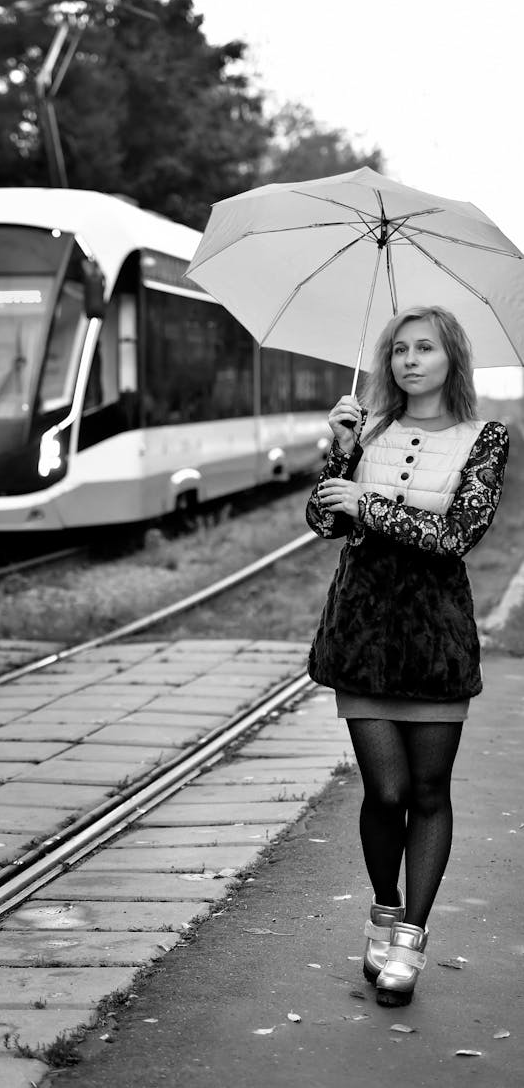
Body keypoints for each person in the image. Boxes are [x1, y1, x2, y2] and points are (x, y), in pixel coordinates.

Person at [305, 305, 509, 1008]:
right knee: (384, 791)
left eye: (424, 348)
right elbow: (324, 522)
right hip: (362, 635)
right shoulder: (371, 428)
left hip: (435, 639)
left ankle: (411, 939)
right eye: (398, 349)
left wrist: (372, 502)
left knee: (428, 793)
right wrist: (339, 449)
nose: (409, 360)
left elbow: (458, 534)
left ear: (452, 357)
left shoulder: (484, 439)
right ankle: (384, 908)